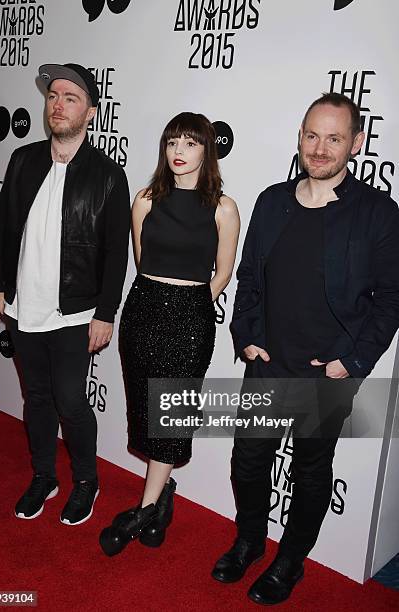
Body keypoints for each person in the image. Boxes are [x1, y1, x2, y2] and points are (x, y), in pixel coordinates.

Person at [212, 92, 399, 605]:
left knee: (310, 471)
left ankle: (290, 561)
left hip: (328, 374)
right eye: (312, 135)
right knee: (248, 463)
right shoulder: (272, 200)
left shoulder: (377, 213)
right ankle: (250, 541)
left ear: (356, 143)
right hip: (268, 366)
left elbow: (390, 299)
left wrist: (353, 361)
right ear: (300, 136)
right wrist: (247, 336)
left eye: (334, 138)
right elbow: (249, 277)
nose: (320, 148)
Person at [0, 63, 131, 526]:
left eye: (70, 97)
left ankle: (86, 480)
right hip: (24, 308)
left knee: (71, 400)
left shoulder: (108, 174)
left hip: (75, 311)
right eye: (53, 96)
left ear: (90, 110)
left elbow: (115, 252)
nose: (58, 104)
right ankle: (44, 476)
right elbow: (5, 226)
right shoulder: (24, 160)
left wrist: (105, 313)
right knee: (39, 399)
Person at [99, 111, 240, 555]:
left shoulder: (223, 207)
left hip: (190, 320)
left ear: (207, 149)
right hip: (142, 311)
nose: (179, 152)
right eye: (172, 142)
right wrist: (162, 299)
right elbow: (143, 261)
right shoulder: (144, 199)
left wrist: (192, 302)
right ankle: (162, 502)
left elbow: (224, 271)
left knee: (170, 415)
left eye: (190, 143)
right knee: (144, 409)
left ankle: (142, 511)